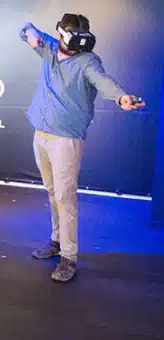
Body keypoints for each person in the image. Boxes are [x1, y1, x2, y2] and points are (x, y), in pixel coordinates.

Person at [20, 14, 145, 282]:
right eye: (72, 39)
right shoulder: (49, 46)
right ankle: (56, 241)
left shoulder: (88, 61)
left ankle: (69, 257)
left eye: (81, 40)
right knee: (52, 192)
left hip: (66, 140)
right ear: (60, 33)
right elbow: (26, 29)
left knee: (65, 198)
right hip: (40, 134)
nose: (77, 46)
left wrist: (121, 97)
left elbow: (102, 80)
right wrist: (30, 33)